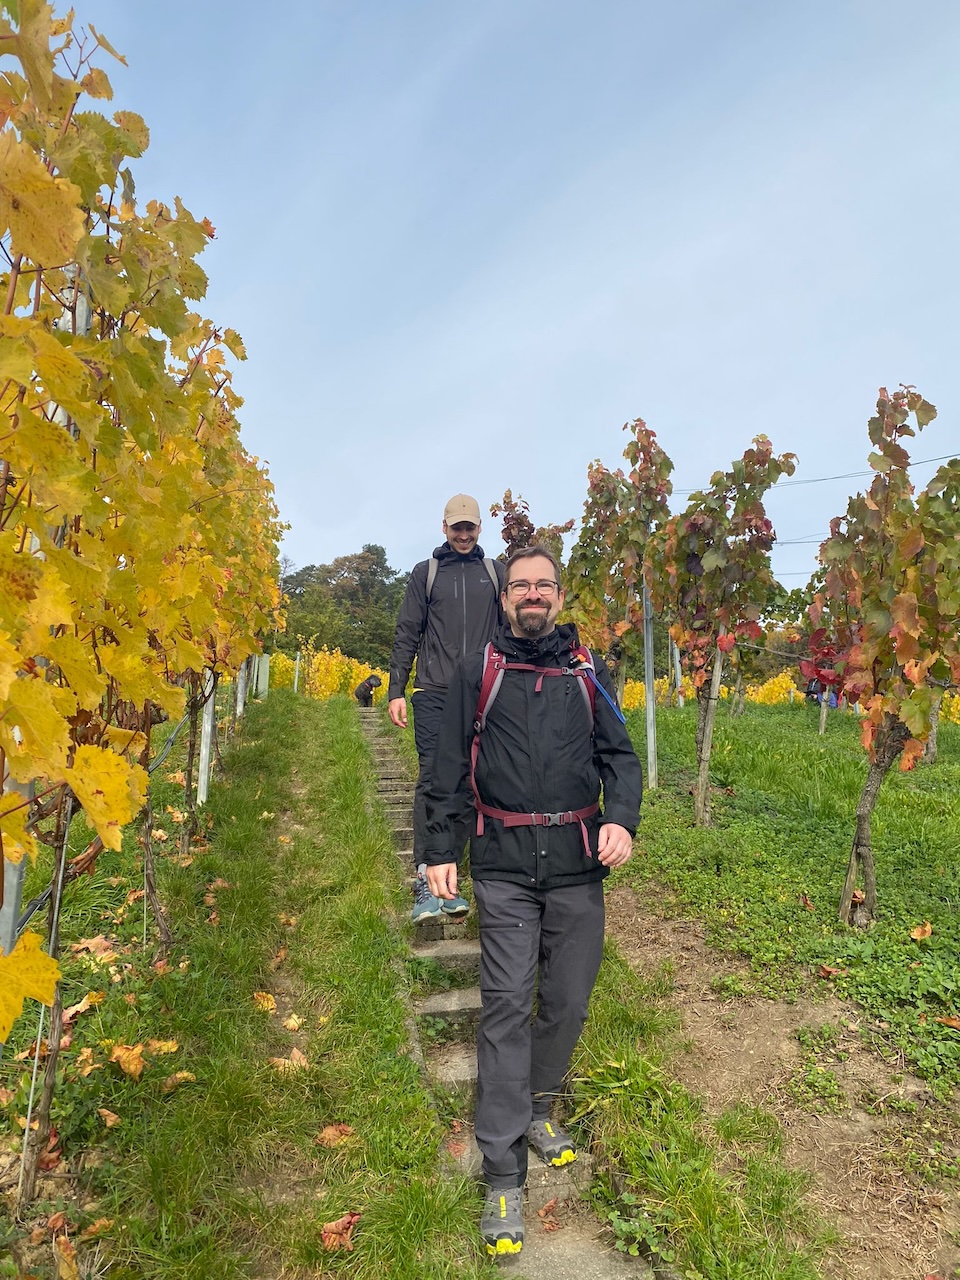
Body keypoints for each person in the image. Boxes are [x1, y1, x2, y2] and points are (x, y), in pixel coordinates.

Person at [423, 546, 642, 1257]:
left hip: (578, 865)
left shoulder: (586, 671)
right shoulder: (478, 670)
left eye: (544, 584)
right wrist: (439, 849)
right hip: (505, 865)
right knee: (507, 1005)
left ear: (559, 595)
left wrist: (621, 819)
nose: (533, 594)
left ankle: (539, 1105)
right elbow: (447, 766)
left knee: (569, 1001)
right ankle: (502, 1173)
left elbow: (620, 757)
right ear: (505, 597)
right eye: (521, 585)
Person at [387, 494, 504, 923]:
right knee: (435, 779)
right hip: (434, 692)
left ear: (479, 528)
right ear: (444, 528)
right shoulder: (426, 573)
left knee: (473, 784)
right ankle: (424, 878)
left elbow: (511, 632)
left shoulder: (496, 574)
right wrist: (396, 689)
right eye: (457, 527)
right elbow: (407, 631)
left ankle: (449, 881)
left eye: (470, 527)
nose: (463, 534)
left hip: (483, 693)